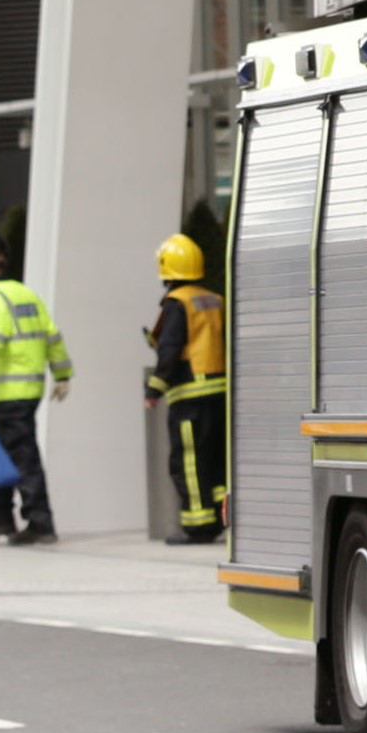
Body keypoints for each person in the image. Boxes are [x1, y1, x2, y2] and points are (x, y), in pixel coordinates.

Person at [0, 232, 71, 545]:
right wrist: (62, 374)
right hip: (28, 390)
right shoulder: (26, 294)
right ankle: (0, 516)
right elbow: (52, 336)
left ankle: (40, 522)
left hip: (8, 392)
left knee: (23, 458)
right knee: (0, 455)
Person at [145, 233, 229, 544]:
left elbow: (170, 349)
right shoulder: (214, 299)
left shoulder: (176, 304)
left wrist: (154, 389)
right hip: (219, 394)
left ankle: (198, 526)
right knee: (217, 458)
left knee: (189, 462)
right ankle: (222, 515)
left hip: (189, 396)